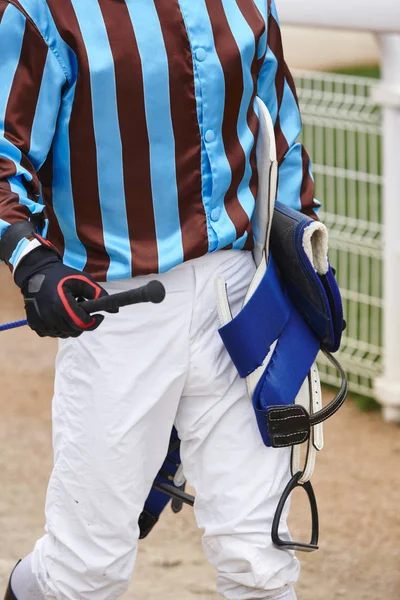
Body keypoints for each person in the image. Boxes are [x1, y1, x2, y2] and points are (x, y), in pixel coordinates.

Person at [0, 1, 320, 599]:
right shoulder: (41, 10)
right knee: (85, 571)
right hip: (118, 308)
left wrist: (306, 254)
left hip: (239, 295)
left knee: (260, 559)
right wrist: (31, 260)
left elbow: (279, 123)